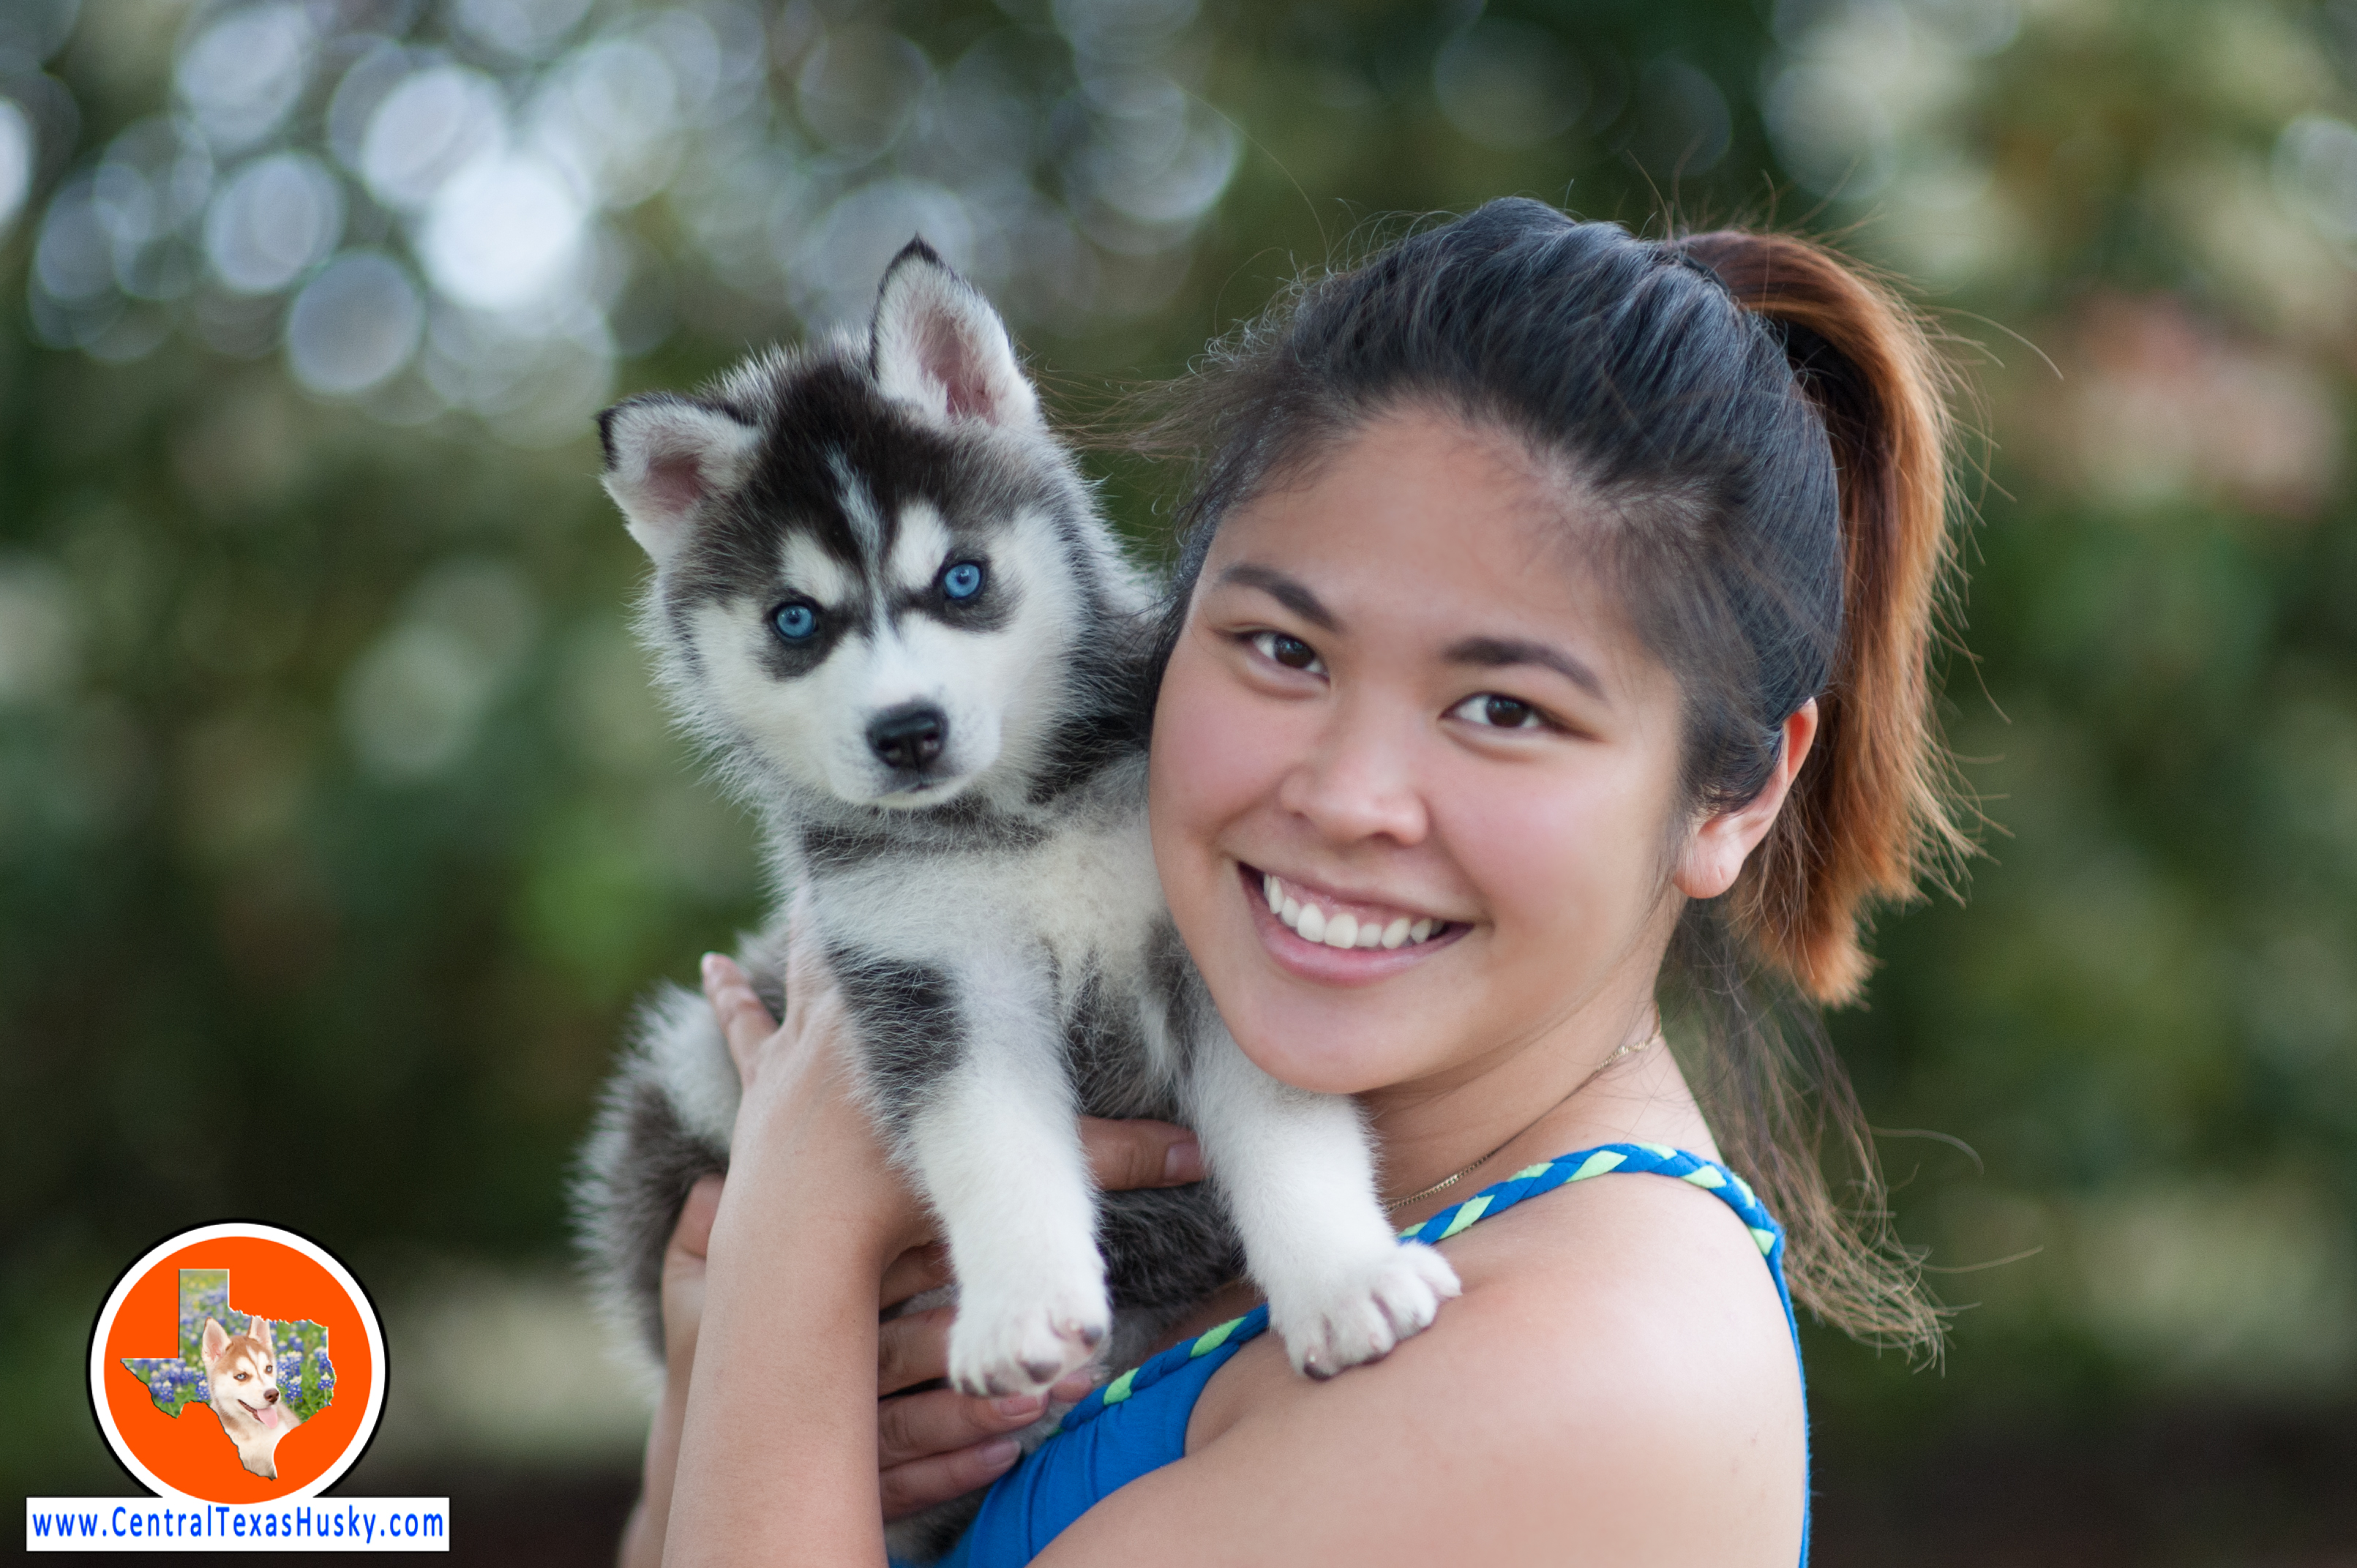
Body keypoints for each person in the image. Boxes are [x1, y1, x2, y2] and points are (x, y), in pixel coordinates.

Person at [618, 198, 1966, 1566]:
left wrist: (787, 1265)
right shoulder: (1247, 1195)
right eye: (1282, 649)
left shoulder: (1581, 1377)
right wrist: (716, 1403)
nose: (1342, 795)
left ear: (1735, 794)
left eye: (1504, 709)